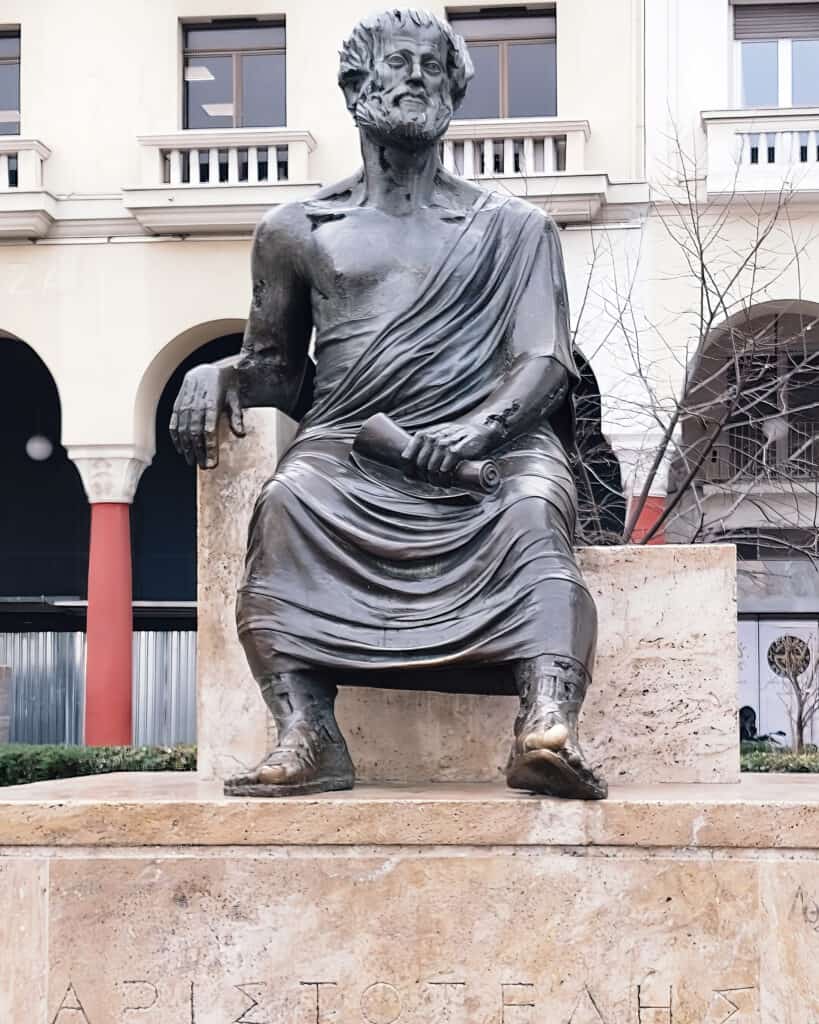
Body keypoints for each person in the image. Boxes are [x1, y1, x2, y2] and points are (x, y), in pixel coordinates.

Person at [170, 8, 606, 800]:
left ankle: (545, 726)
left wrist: (473, 434)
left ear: (452, 92)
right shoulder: (295, 228)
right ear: (354, 85)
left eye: (431, 69)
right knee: (285, 502)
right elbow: (278, 367)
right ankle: (307, 731)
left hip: (493, 448)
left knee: (532, 509)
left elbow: (544, 361)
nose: (414, 80)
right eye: (397, 64)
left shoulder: (515, 228)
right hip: (351, 449)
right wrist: (223, 372)